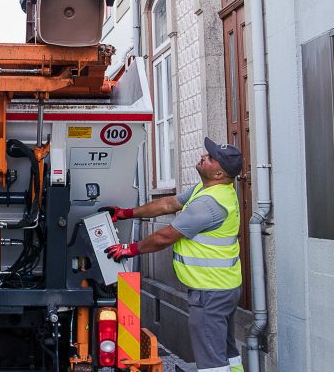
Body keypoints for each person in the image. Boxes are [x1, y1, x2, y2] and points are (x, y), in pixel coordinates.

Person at [102, 137, 244, 372]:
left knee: (211, 360)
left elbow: (165, 236)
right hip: (224, 287)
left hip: (210, 292)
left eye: (210, 158)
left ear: (219, 173)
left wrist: (130, 249)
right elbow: (168, 204)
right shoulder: (209, 190)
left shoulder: (209, 204)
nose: (202, 156)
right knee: (226, 352)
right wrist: (126, 213)